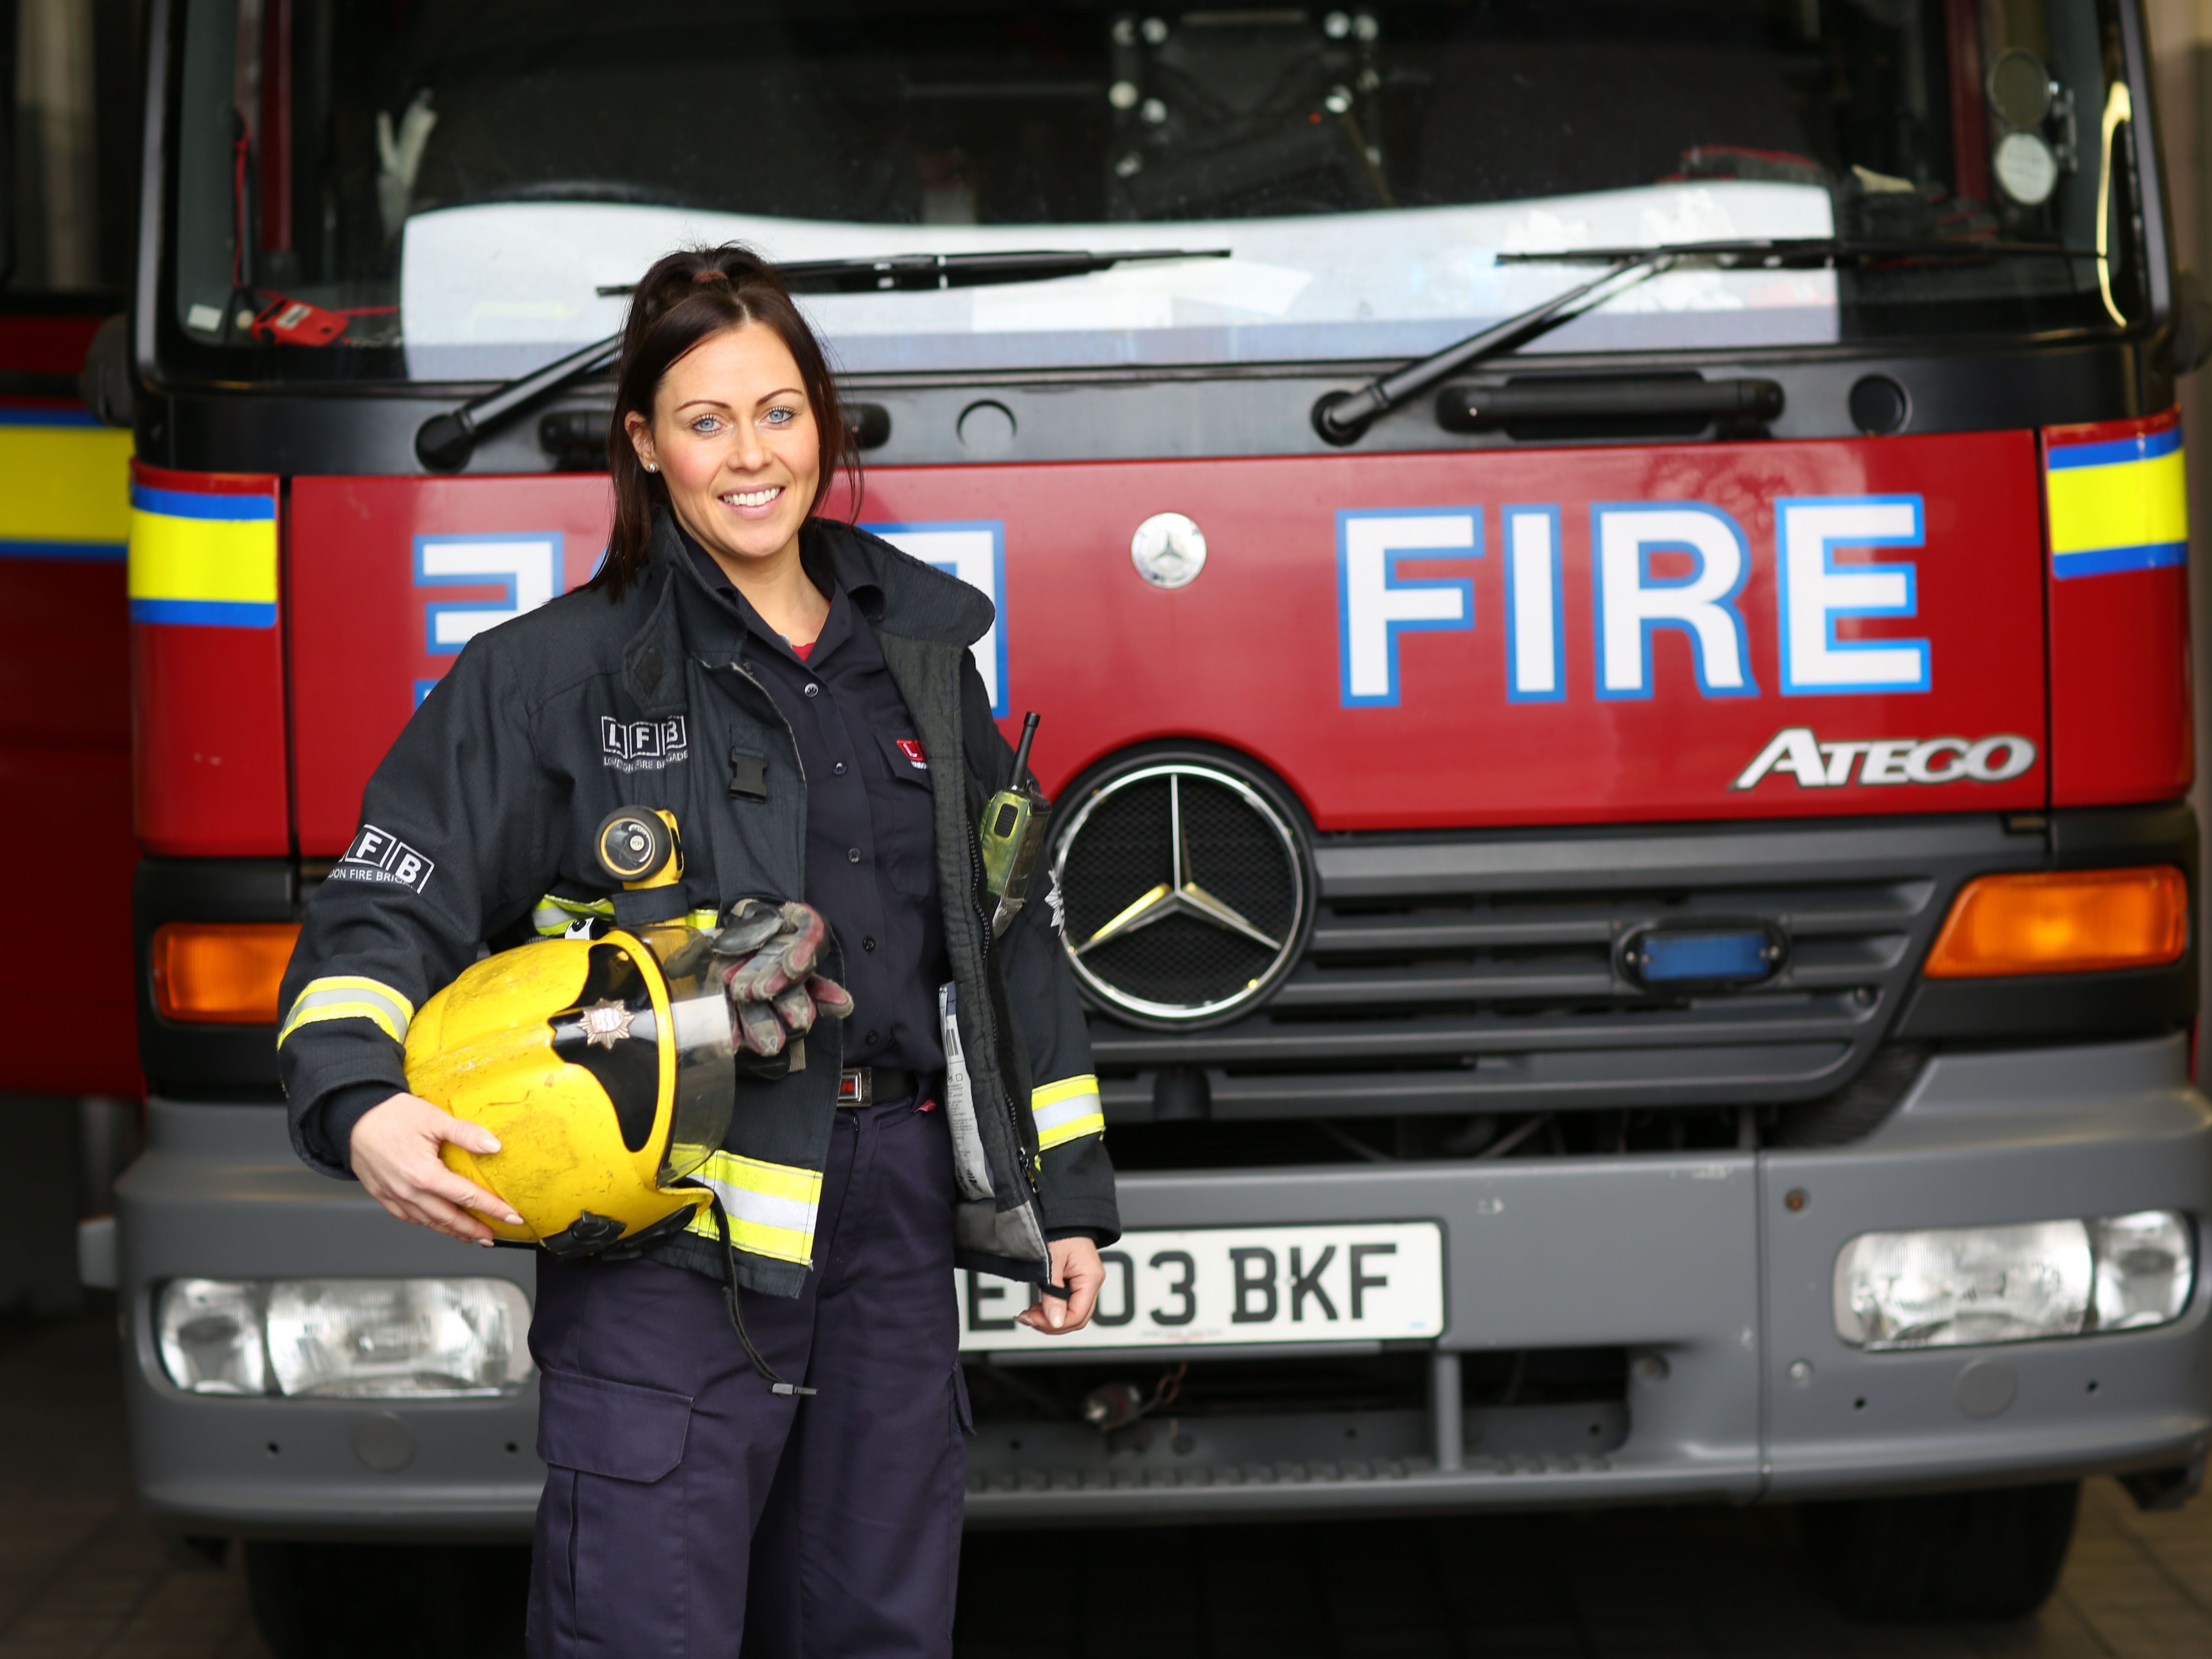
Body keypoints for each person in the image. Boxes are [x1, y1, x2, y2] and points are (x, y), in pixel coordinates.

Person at [274, 244, 1119, 1658]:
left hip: (892, 1222)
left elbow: (1002, 934)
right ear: (644, 443)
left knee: (874, 1627)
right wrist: (357, 1098)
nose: (751, 455)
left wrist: (1066, 1195)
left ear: (824, 425)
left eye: (779, 413)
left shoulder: (919, 654)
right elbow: (387, 900)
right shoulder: (550, 679)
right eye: (706, 420)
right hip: (668, 1241)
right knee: (643, 1629)